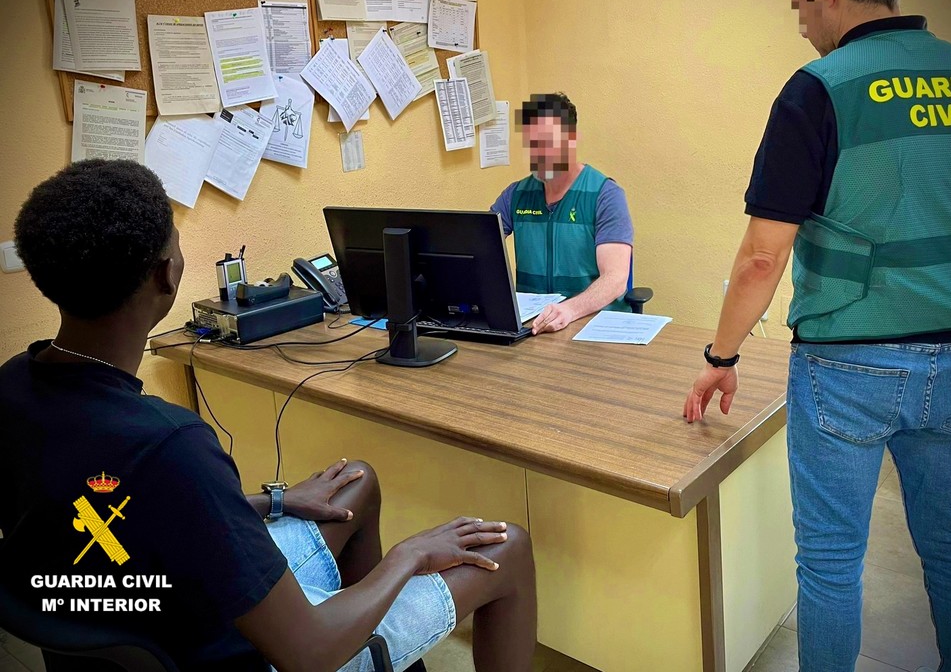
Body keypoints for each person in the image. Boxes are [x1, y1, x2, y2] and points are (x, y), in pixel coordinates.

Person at [0, 159, 537, 672]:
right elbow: (308, 655)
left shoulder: (13, 386)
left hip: (140, 604)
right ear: (167, 275)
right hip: (249, 653)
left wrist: (273, 500)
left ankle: (373, 630)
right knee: (505, 546)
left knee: (354, 486)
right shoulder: (172, 444)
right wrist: (408, 556)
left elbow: (134, 505)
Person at [681, 0, 951, 670]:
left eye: (798, 4)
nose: (799, 25)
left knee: (829, 565)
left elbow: (763, 255)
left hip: (845, 368)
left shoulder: (818, 89)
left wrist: (720, 356)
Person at [490, 92, 634, 334]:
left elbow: (616, 279)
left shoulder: (605, 195)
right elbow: (479, 246)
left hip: (593, 328)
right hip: (534, 330)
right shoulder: (515, 195)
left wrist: (569, 309)